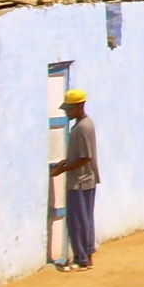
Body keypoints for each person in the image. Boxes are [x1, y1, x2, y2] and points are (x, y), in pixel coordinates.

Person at [49, 89, 99, 270]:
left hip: (80, 181)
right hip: (86, 180)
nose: (67, 112)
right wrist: (66, 161)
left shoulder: (83, 127)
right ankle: (87, 256)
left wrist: (63, 169)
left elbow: (85, 157)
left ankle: (81, 259)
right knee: (85, 219)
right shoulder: (82, 125)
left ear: (80, 106)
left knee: (78, 221)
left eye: (70, 109)